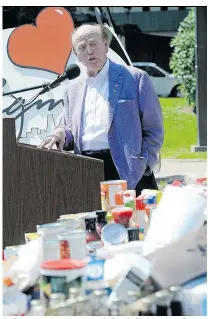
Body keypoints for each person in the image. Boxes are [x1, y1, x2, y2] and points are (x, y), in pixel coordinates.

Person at [39, 23, 164, 195]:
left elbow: (154, 129)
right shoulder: (72, 90)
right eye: (82, 47)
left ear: (106, 45)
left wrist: (144, 163)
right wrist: (60, 134)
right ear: (77, 55)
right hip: (86, 168)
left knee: (134, 221)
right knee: (95, 221)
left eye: (93, 43)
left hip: (128, 169)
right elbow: (69, 131)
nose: (89, 51)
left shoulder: (135, 78)